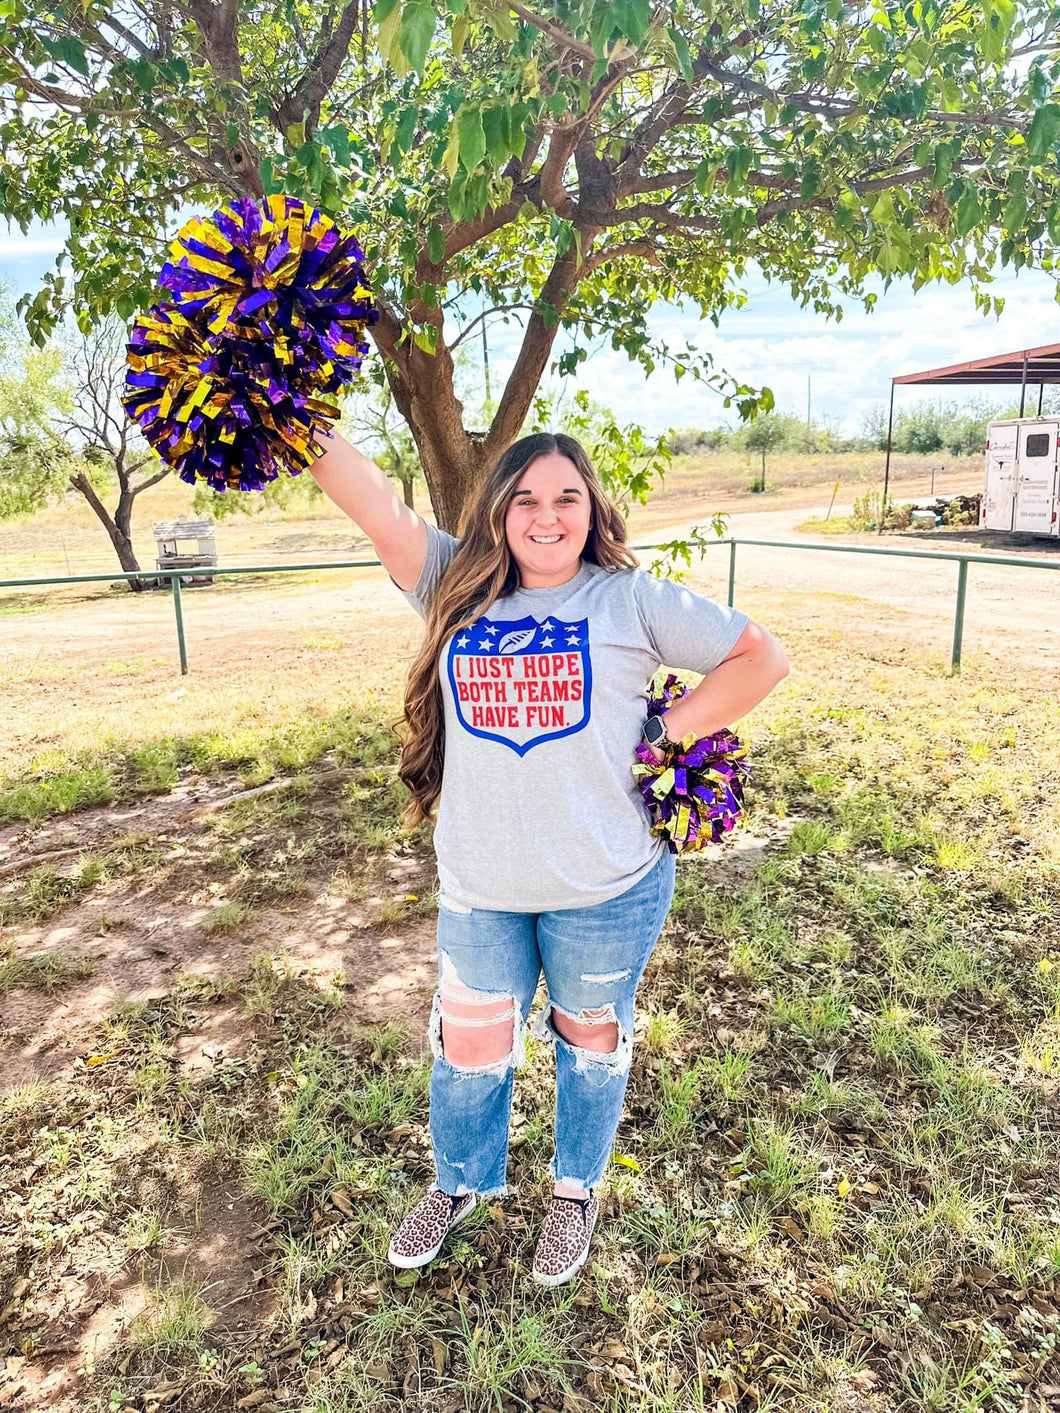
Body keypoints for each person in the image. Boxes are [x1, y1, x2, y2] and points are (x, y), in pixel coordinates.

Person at [308, 426, 789, 1286]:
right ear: (498, 511)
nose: (545, 515)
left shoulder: (631, 600)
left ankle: (575, 1191)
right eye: (525, 497)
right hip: (483, 885)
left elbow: (761, 658)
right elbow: (378, 509)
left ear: (591, 509)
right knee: (470, 1050)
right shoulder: (456, 585)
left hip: (606, 886)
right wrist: (285, 405)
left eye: (566, 496)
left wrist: (665, 730)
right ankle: (458, 1183)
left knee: (590, 1042)